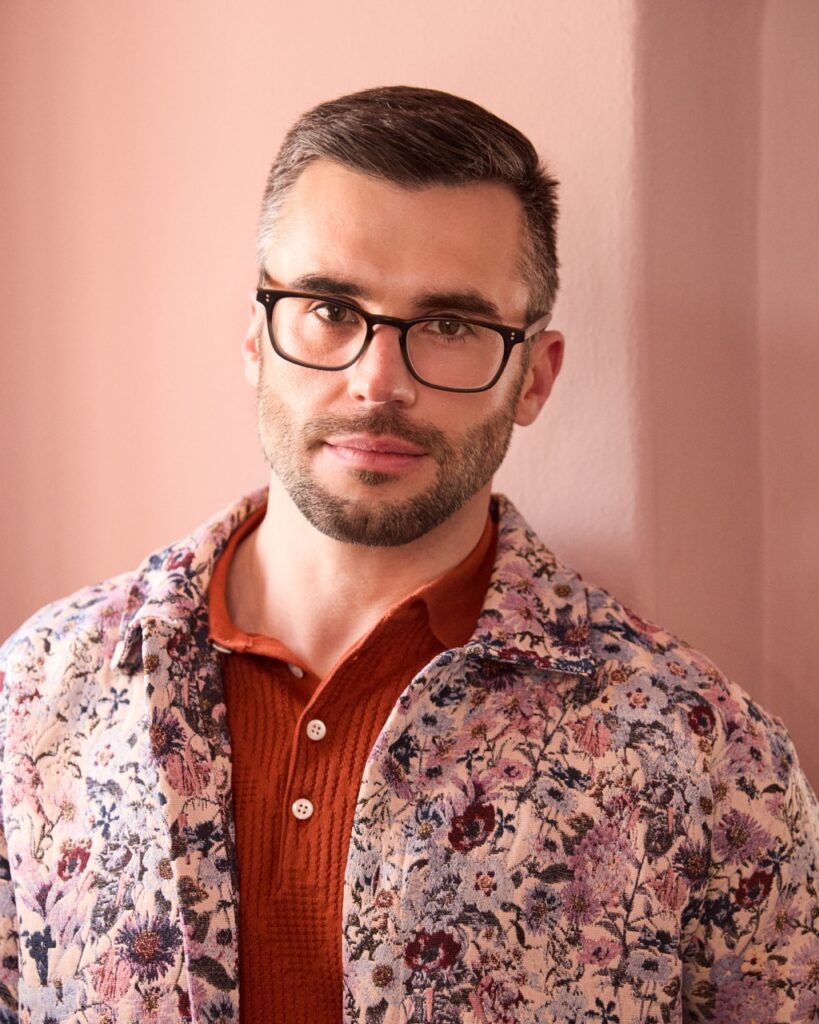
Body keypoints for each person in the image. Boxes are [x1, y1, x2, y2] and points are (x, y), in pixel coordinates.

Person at [0, 86, 816, 1024]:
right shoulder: (39, 697)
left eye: (451, 326)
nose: (377, 381)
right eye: (328, 308)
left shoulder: (707, 753)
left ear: (533, 378)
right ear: (258, 339)